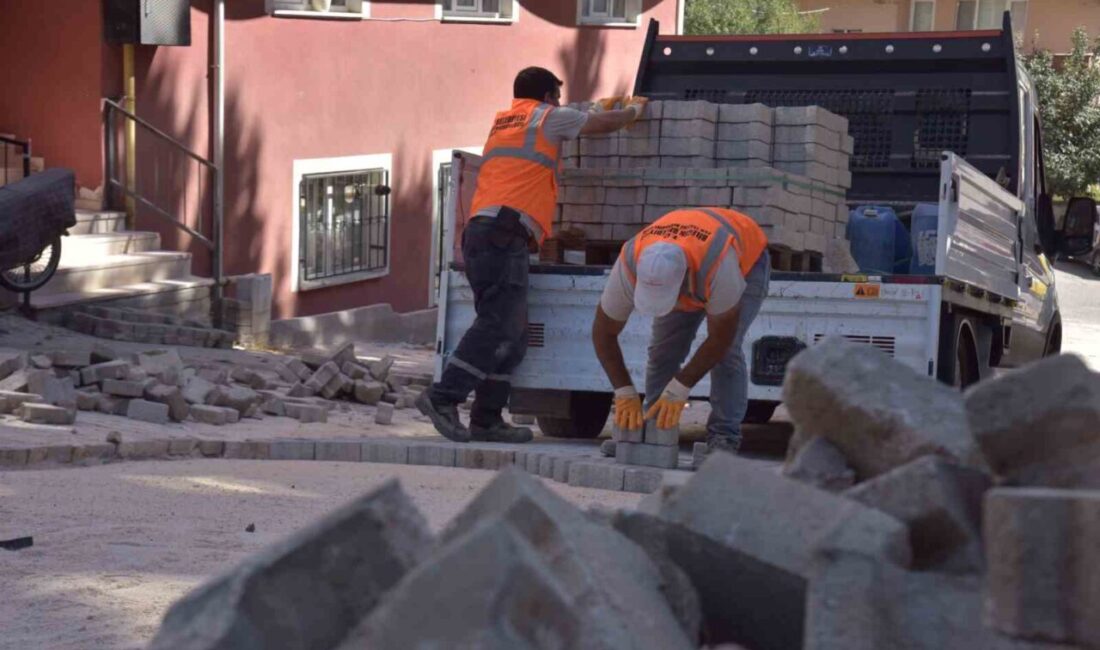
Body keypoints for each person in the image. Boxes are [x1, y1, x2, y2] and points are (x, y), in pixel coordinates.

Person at [417, 66, 647, 444]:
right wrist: (631, 112)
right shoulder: (548, 118)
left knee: (514, 335)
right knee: (496, 325)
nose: (559, 102)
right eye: (557, 95)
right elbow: (598, 125)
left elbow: (571, 118)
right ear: (546, 96)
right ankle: (442, 397)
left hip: (491, 233)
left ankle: (487, 419)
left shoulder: (508, 120)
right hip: (501, 235)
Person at [591, 207, 771, 455]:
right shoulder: (631, 261)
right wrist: (623, 391)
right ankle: (653, 429)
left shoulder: (718, 266)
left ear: (684, 280)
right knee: (663, 350)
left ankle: (724, 436)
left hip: (746, 259)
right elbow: (603, 333)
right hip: (689, 254)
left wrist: (680, 387)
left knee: (728, 353)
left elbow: (721, 338)